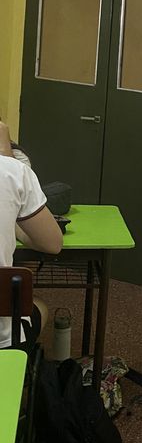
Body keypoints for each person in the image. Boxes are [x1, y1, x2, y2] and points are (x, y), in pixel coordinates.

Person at [0, 119, 62, 349]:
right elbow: (52, 244)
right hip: (4, 340)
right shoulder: (13, 170)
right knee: (39, 307)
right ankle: (23, 369)